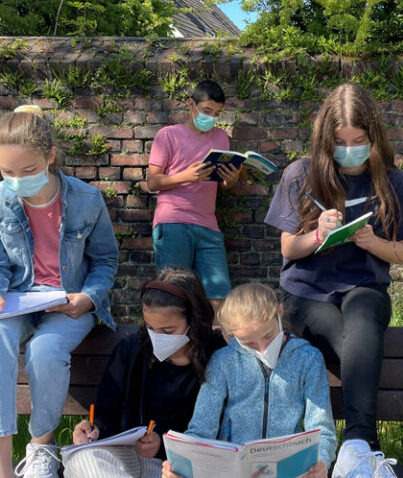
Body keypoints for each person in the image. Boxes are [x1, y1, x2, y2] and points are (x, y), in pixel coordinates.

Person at [264, 82, 403, 477]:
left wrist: (372, 242)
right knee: (349, 334)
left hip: (365, 287)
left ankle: (355, 446)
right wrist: (317, 235)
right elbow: (288, 249)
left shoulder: (392, 181)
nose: (349, 148)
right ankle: (362, 446)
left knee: (362, 316)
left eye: (359, 140)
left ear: (374, 137)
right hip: (306, 293)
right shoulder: (300, 174)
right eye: (340, 140)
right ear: (324, 138)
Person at [0, 105, 119, 478]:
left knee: (46, 350)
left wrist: (88, 297)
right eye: (6, 172)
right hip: (18, 297)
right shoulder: (1, 199)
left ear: (50, 156)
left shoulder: (87, 199)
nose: (16, 180)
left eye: (28, 171)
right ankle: (3, 465)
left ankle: (40, 447)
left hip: (68, 301)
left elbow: (105, 261)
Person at [161, 282, 337, 478]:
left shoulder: (308, 358)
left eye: (268, 335)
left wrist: (320, 462)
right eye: (249, 343)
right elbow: (201, 429)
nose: (262, 349)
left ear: (279, 312)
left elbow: (321, 428)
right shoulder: (223, 361)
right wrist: (181, 465)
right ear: (232, 334)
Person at [65, 268, 226, 478]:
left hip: (178, 464)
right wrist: (91, 429)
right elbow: (107, 412)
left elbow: (217, 430)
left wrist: (162, 446)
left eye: (168, 331)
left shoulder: (217, 356)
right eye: (150, 327)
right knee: (85, 458)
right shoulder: (132, 349)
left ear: (193, 321)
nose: (157, 337)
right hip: (126, 459)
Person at [147, 80, 241, 311]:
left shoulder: (221, 138)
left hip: (208, 225)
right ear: (191, 104)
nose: (211, 118)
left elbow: (222, 185)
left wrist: (232, 179)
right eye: (207, 111)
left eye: (217, 114)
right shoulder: (167, 135)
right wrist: (186, 175)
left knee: (218, 297)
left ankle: (213, 345)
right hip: (173, 223)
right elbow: (152, 182)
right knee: (174, 295)